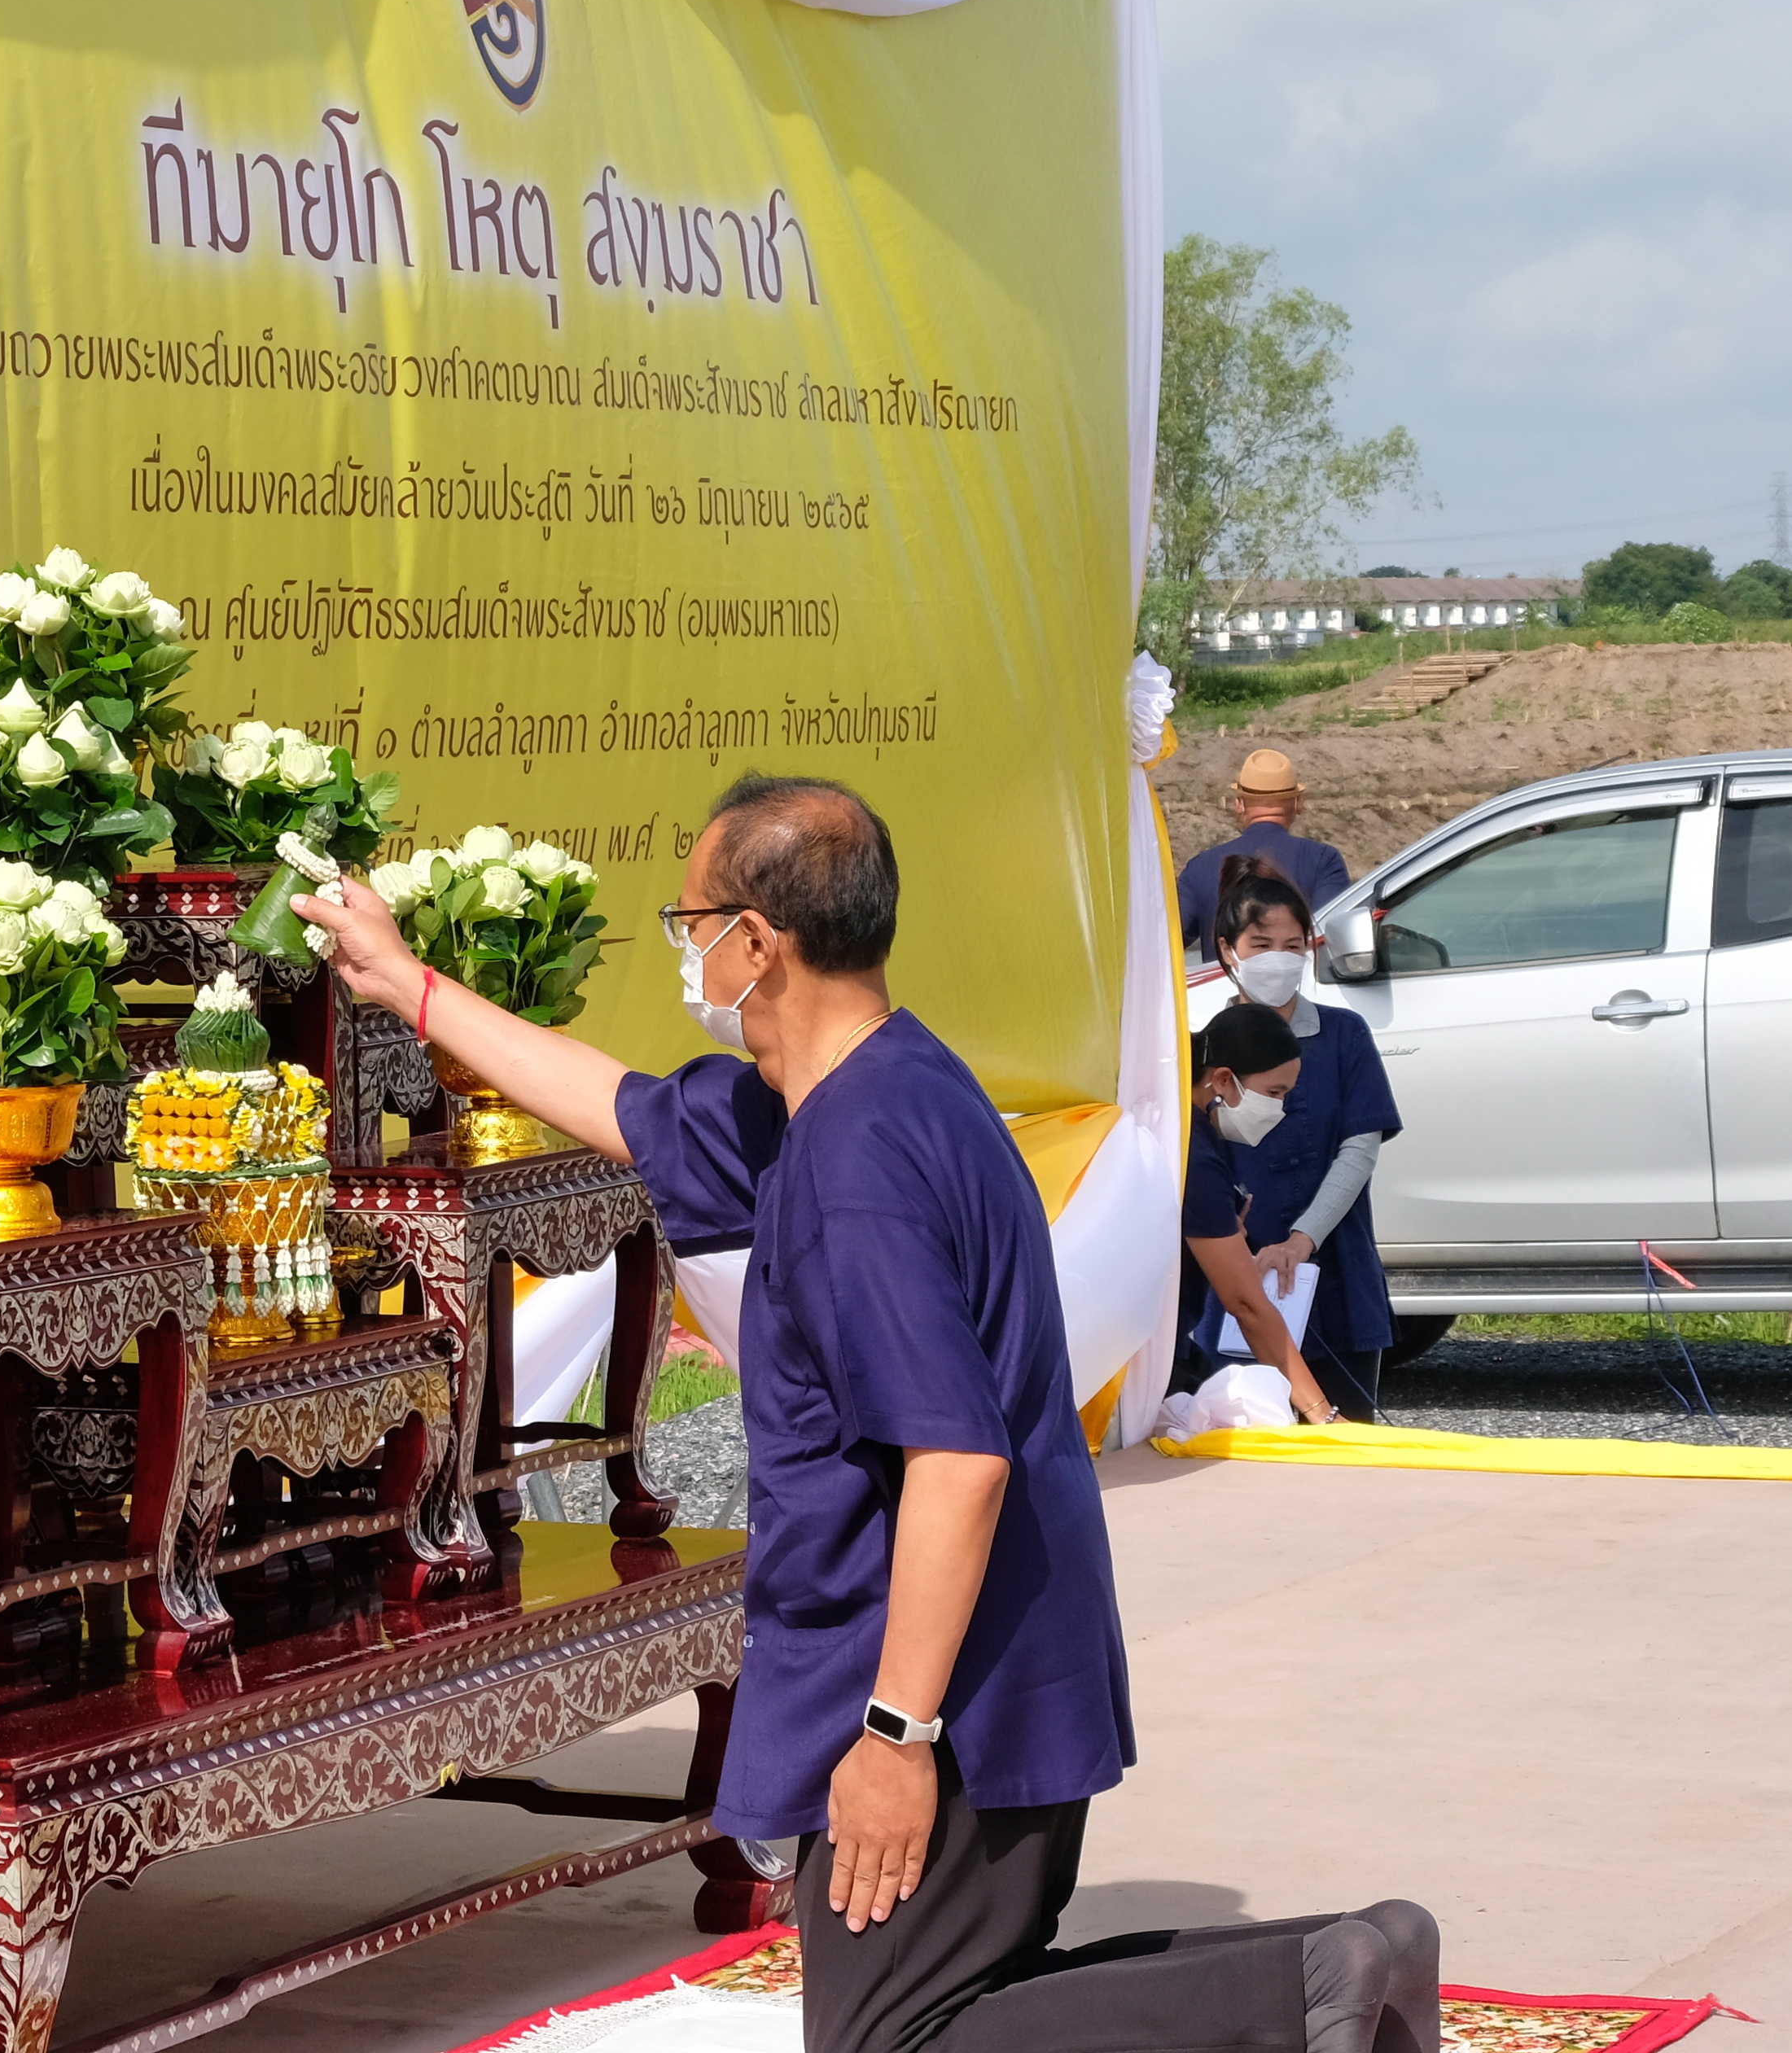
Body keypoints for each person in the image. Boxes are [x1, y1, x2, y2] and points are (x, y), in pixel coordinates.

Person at [293, 775, 1437, 2053]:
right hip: (984, 1663)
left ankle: (1310, 1982)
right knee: (951, 2007)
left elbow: (958, 1461)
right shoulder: (857, 1091)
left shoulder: (856, 1166)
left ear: (759, 943)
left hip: (941, 1693)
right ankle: (1337, 1967)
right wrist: (406, 984)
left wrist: (895, 1737)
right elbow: (618, 1103)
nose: (689, 959)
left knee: (895, 2046)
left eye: (691, 928)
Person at [1206, 873, 1402, 1421]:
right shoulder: (1203, 1047)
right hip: (1235, 1277)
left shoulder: (1344, 1035)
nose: (1278, 960)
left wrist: (1302, 1240)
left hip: (1335, 1273)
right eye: (1261, 946)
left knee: (1347, 1443)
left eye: (1293, 946)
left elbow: (1359, 1149)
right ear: (1228, 949)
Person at [1182, 1000, 1347, 1426]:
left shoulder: (1191, 1127)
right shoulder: (1194, 1159)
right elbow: (1247, 1305)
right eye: (1274, 1094)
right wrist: (1322, 1414)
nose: (1280, 1108)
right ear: (1222, 1079)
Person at [1176, 748, 1352, 960]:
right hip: (1296, 988)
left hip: (1220, 989)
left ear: (1239, 805)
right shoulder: (1324, 860)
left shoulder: (1200, 867)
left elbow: (1165, 941)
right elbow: (1332, 937)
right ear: (1299, 803)